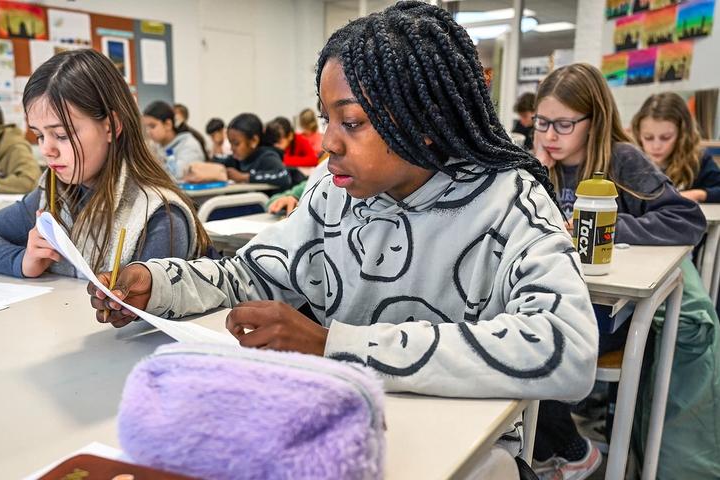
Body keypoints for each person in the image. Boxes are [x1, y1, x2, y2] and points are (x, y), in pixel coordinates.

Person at [88, 5, 598, 476]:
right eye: (327, 118)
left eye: (351, 122)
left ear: (422, 122)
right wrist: (157, 283)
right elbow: (251, 274)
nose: (330, 140)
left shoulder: (507, 200)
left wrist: (334, 345)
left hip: (462, 451)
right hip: (335, 430)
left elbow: (568, 349)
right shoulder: (333, 191)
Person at [533, 63, 706, 480]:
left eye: (563, 124)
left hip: (609, 307)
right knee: (502, 337)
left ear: (595, 122)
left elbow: (687, 219)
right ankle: (544, 446)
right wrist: (532, 176)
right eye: (541, 122)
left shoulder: (622, 159)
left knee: (540, 348)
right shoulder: (538, 161)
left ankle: (573, 451)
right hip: (552, 291)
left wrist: (609, 229)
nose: (550, 135)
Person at [0, 49, 210, 279]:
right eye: (39, 135)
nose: (47, 150)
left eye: (62, 135)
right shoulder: (53, 193)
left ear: (111, 127)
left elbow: (148, 321)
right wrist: (22, 261)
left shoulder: (157, 215)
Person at [632, 92, 720, 203]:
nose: (656, 146)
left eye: (666, 137)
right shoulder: (630, 162)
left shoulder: (698, 161)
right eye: (648, 137)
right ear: (638, 133)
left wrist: (699, 194)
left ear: (682, 135)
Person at [212, 113, 291, 190]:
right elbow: (217, 162)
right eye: (230, 143)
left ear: (254, 141)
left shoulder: (267, 156)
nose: (232, 148)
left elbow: (284, 176)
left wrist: (244, 177)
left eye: (236, 144)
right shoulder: (237, 159)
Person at [142, 101, 206, 179]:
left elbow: (177, 176)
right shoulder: (157, 145)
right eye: (146, 127)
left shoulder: (189, 146)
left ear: (168, 124)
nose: (148, 132)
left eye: (152, 126)